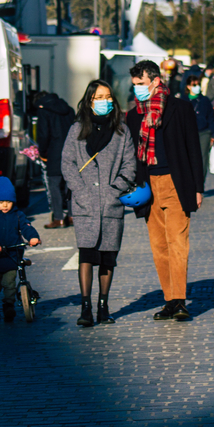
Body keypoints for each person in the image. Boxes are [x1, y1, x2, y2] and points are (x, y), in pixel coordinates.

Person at [126, 60, 205, 322]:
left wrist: (197, 187)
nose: (136, 89)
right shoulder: (133, 114)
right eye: (134, 84)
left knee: (177, 242)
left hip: (175, 181)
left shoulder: (180, 108)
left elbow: (194, 148)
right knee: (159, 245)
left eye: (140, 84)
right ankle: (169, 298)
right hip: (149, 186)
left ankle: (180, 299)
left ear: (155, 81)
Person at [61, 81, 137, 327]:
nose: (103, 101)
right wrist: (81, 191)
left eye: (107, 97)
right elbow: (67, 164)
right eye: (98, 97)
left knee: (107, 258)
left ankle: (103, 306)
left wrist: (116, 191)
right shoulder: (76, 130)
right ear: (89, 100)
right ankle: (86, 307)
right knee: (86, 255)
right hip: (85, 205)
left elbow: (129, 166)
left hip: (111, 205)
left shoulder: (121, 132)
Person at [0, 177, 41, 321]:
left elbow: (26, 226)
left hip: (12, 256)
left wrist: (33, 237)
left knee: (9, 284)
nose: (5, 205)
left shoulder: (18, 215)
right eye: (1, 203)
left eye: (8, 202)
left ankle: (9, 306)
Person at [36, 92, 76, 229]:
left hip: (54, 151)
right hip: (71, 150)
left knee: (54, 185)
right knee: (70, 184)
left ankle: (58, 217)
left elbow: (43, 134)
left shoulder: (44, 111)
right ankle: (72, 215)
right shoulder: (69, 109)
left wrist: (42, 151)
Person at [187, 75, 214, 181]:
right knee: (189, 159)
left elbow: (210, 117)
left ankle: (200, 184)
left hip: (204, 132)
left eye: (198, 85)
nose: (197, 87)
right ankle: (191, 184)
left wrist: (213, 134)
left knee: (202, 159)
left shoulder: (205, 100)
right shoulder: (184, 100)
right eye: (194, 85)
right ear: (188, 87)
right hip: (188, 134)